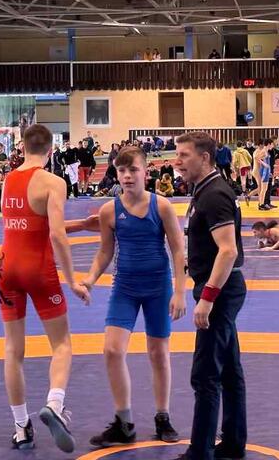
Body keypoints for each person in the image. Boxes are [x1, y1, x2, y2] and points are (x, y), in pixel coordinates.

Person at [79, 146, 186, 447]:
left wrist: (180, 291)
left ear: (145, 171)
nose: (127, 176)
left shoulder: (161, 206)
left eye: (133, 170)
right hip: (124, 287)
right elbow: (105, 251)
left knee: (158, 353)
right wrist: (90, 279)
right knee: (112, 350)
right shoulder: (109, 211)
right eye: (121, 171)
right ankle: (124, 423)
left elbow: (178, 250)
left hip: (158, 287)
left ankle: (162, 416)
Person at [0, 124, 93, 453]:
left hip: (6, 268)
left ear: (22, 147)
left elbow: (27, 224)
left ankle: (21, 427)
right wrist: (71, 279)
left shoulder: (8, 180)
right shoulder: (53, 182)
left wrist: (81, 225)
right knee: (62, 344)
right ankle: (54, 404)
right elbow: (55, 234)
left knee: (13, 350)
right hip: (38, 269)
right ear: (51, 151)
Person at [173, 131, 246, 460]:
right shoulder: (205, 190)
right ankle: (232, 442)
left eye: (184, 155)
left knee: (205, 375)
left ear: (204, 158)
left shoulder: (214, 194)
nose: (177, 162)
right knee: (229, 370)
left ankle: (200, 451)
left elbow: (228, 251)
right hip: (221, 287)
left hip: (219, 290)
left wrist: (207, 298)